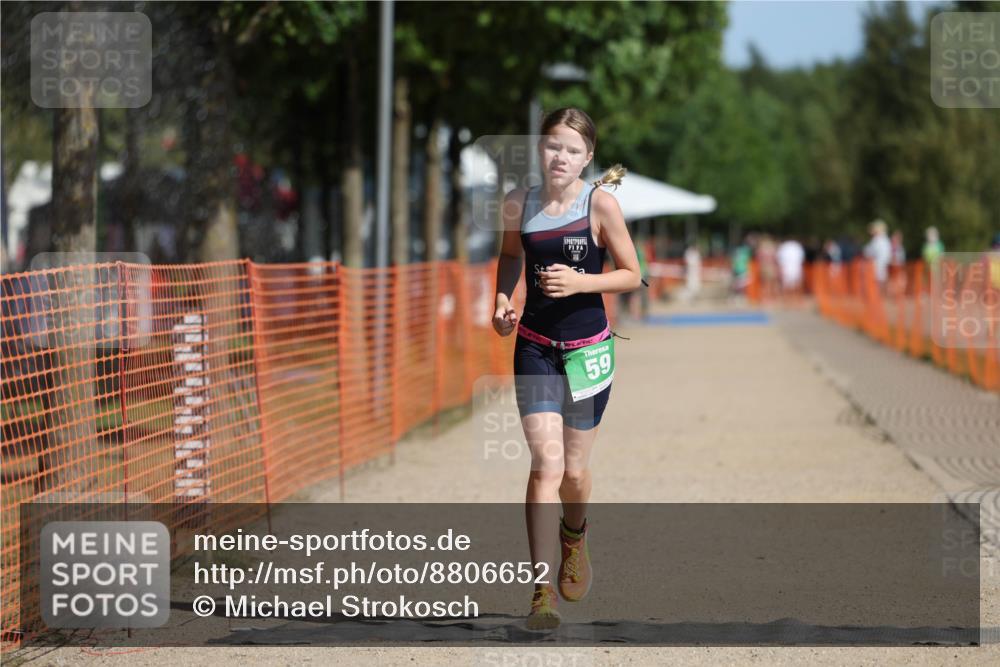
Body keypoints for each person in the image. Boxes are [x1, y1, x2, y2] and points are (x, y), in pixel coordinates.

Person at [493, 107, 642, 630]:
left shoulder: (600, 205)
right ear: (540, 147)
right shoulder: (519, 203)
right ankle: (540, 590)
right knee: (545, 467)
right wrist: (502, 301)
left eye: (573, 150)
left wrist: (582, 284)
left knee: (574, 474)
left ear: (588, 157)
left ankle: (574, 538)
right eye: (554, 145)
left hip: (588, 351)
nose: (561, 156)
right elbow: (511, 258)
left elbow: (632, 275)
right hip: (534, 346)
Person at [863, 219, 892, 289]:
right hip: (882, 266)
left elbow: (868, 253)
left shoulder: (877, 240)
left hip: (875, 267)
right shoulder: (886, 240)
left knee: (876, 287)